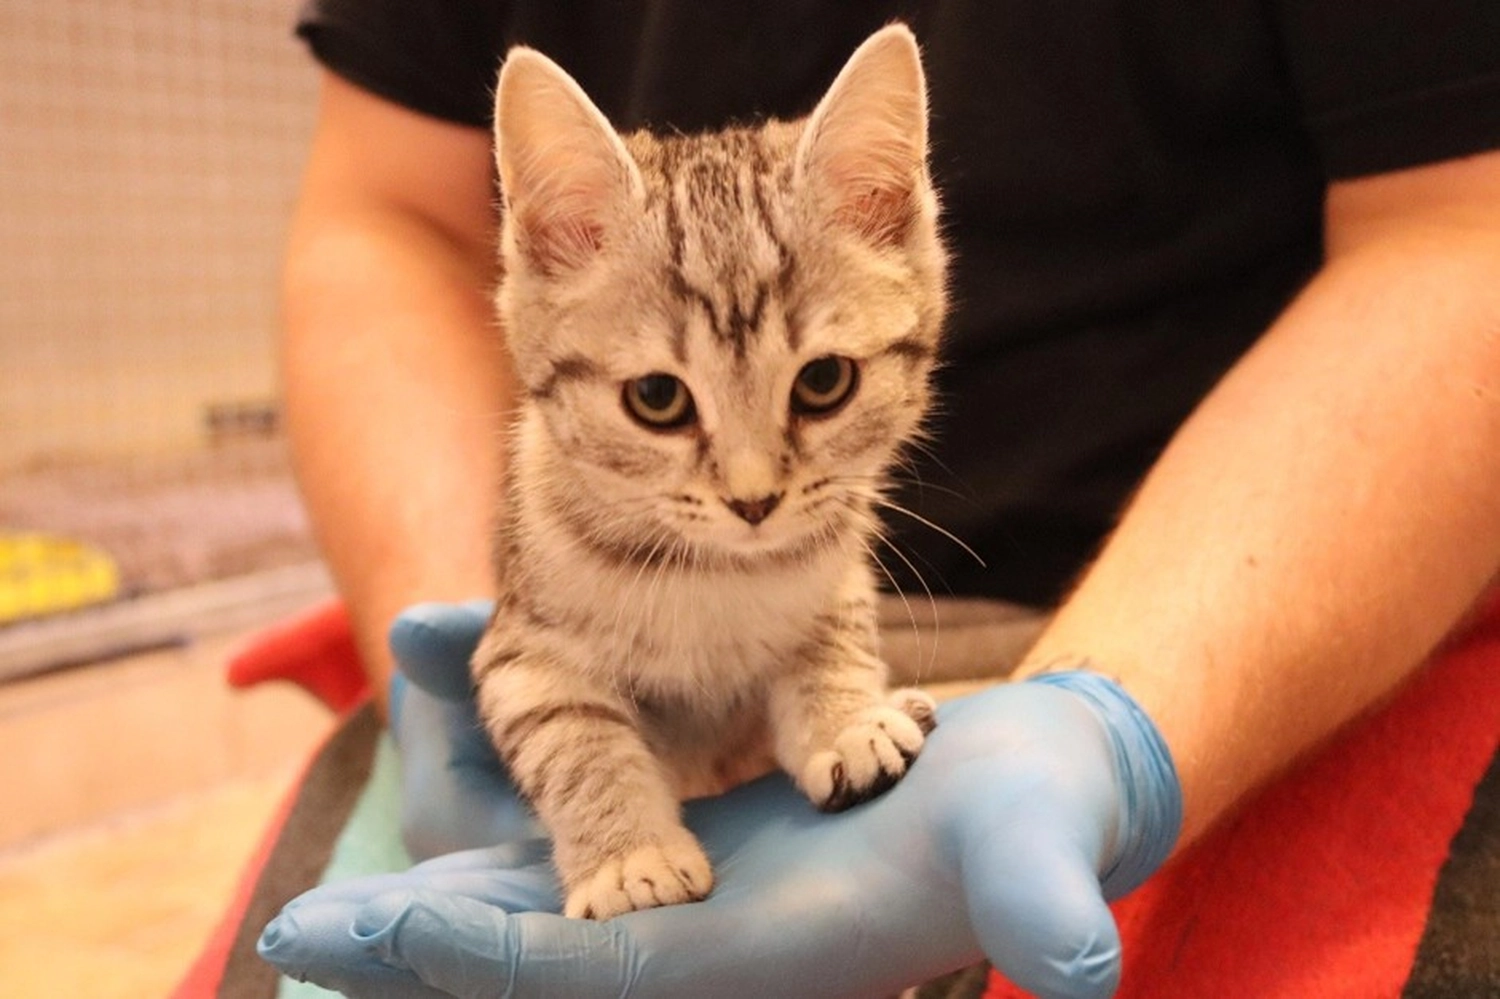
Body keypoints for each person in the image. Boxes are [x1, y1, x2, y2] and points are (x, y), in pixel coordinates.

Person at [256, 2, 1500, 997]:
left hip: (1256, 594)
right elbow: (390, 218)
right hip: (566, 638)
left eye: (821, 382)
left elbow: (1459, 231)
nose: (751, 487)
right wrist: (465, 681)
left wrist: (1109, 731)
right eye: (660, 401)